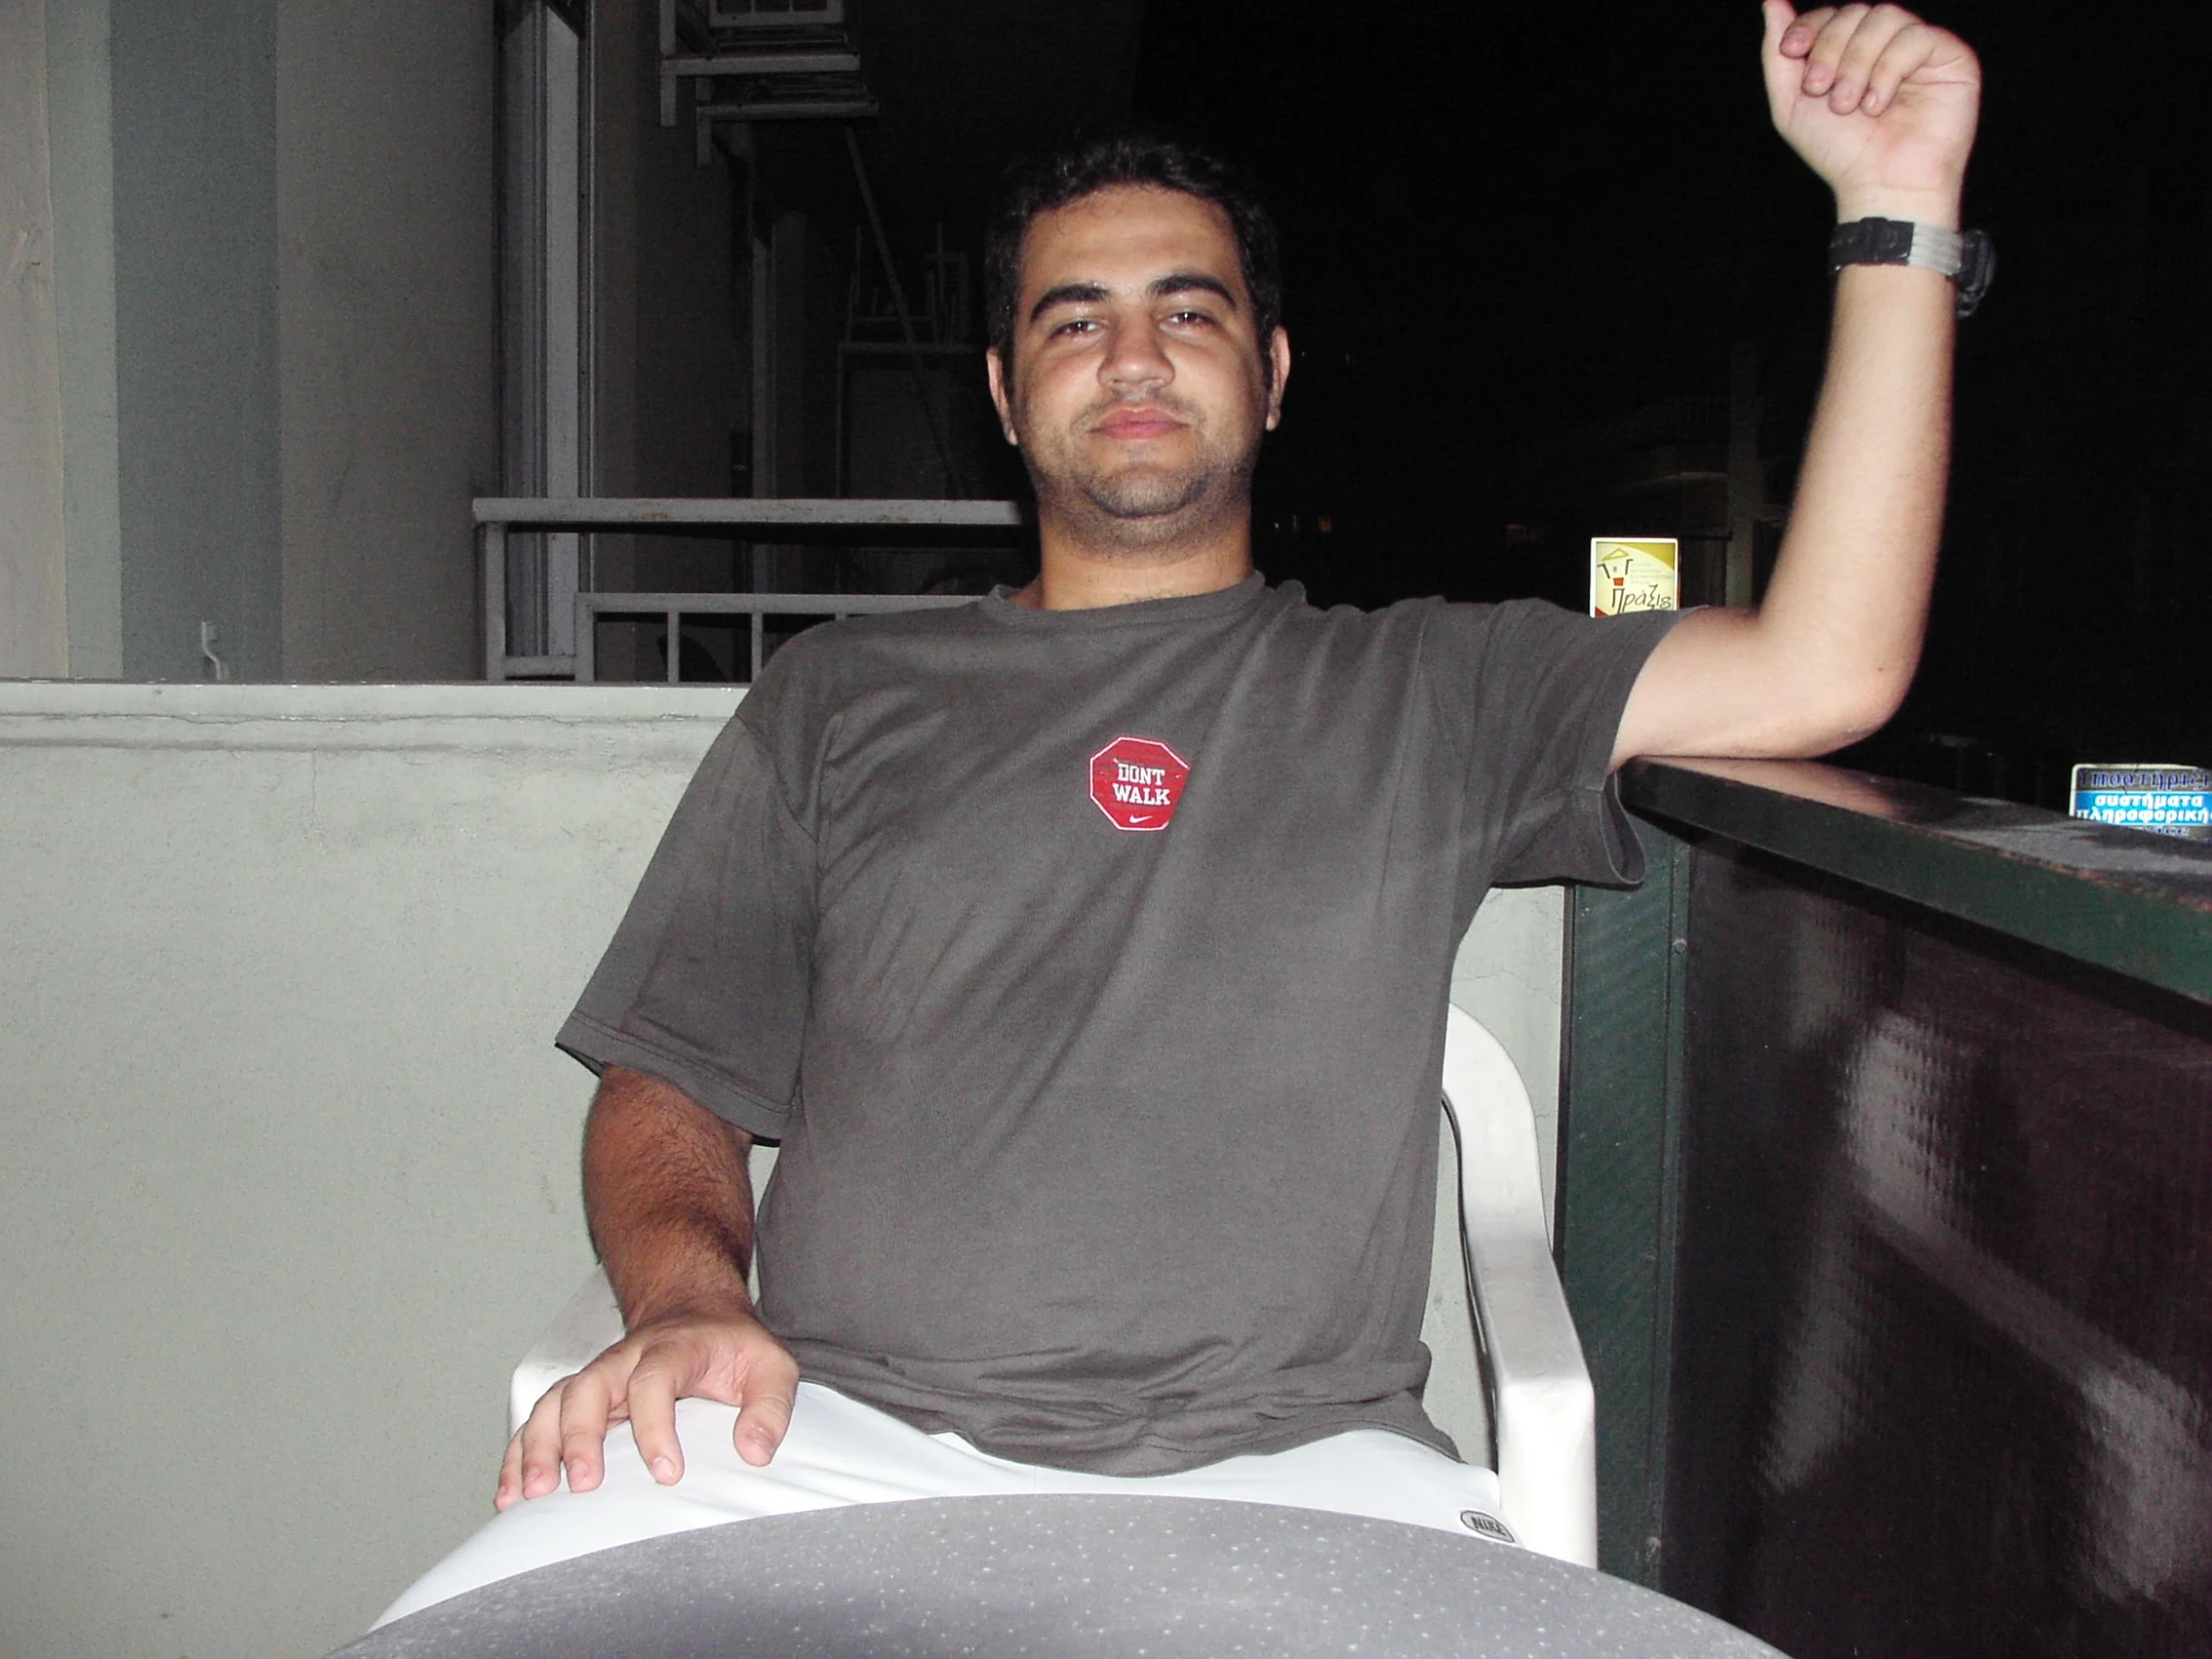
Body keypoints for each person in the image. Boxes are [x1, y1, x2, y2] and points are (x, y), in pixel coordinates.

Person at [380, 0, 1982, 1622]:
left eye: (1186, 312)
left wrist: (1898, 212)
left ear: (1272, 373)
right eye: (1072, 323)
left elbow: (1826, 664)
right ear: (1006, 395)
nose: (1132, 356)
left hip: (1307, 1471)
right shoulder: (841, 694)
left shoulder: (1431, 688)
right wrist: (678, 1299)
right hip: (825, 1427)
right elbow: (671, 1073)